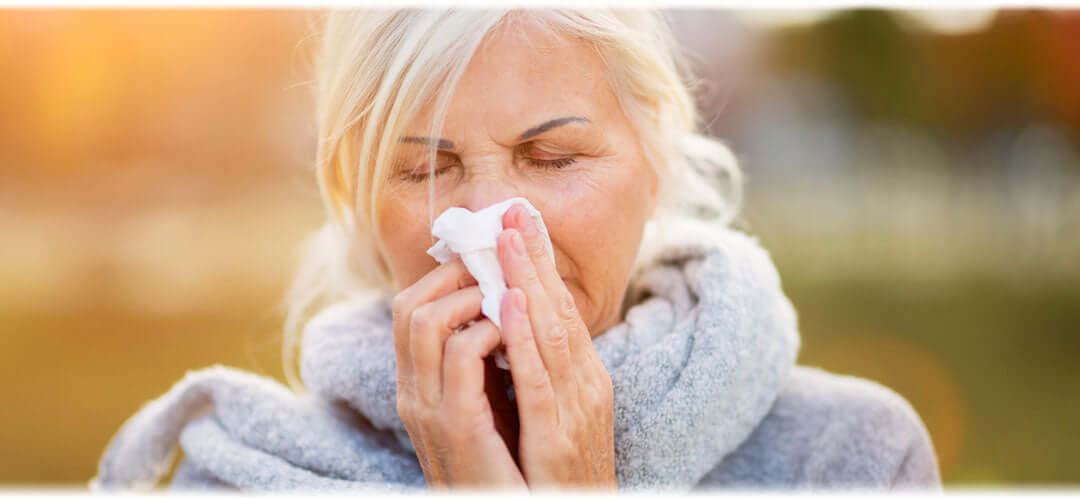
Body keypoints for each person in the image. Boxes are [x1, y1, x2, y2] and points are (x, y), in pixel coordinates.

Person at [91, 8, 942, 492]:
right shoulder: (240, 477)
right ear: (356, 202)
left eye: (554, 158)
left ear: (656, 166)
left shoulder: (848, 459)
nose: (494, 222)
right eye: (427, 167)